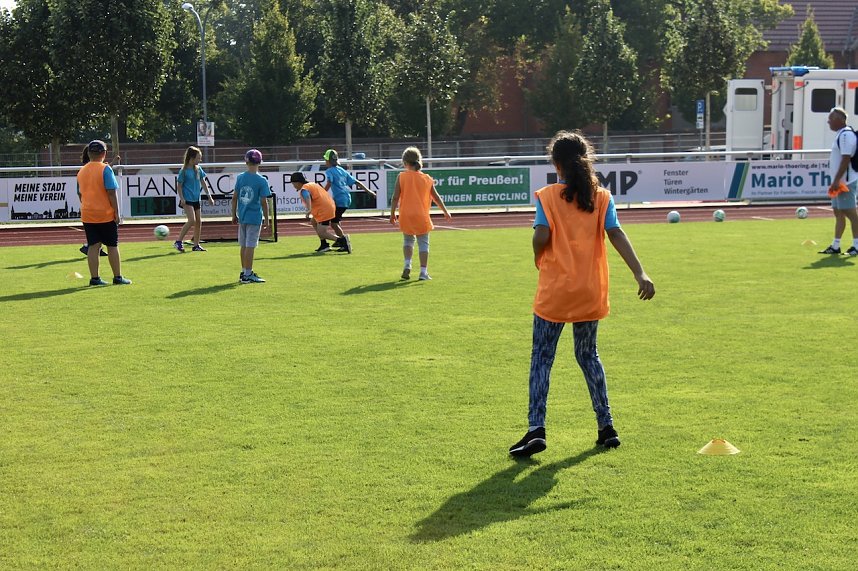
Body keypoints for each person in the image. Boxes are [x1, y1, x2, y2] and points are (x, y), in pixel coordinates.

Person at [508, 131, 654, 458]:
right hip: (590, 291)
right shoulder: (601, 197)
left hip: (556, 292)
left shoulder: (547, 196)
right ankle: (606, 426)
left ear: (557, 165)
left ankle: (536, 429)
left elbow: (541, 234)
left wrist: (537, 251)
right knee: (588, 356)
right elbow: (615, 232)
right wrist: (639, 272)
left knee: (542, 357)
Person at [388, 146, 451, 280]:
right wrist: (445, 211)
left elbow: (395, 197)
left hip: (405, 214)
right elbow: (436, 197)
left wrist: (392, 213)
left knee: (408, 240)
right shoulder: (427, 178)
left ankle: (407, 264)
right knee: (423, 243)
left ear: (405, 162)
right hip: (421, 215)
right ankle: (423, 272)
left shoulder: (401, 176)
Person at [76, 140, 131, 286]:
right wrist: (117, 213)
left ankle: (95, 278)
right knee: (112, 246)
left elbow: (79, 194)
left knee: (93, 246)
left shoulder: (81, 171)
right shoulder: (105, 169)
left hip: (88, 214)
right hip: (105, 214)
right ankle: (117, 277)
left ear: (88, 153)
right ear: (104, 153)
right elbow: (111, 193)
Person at [818, 107, 858, 256]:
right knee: (838, 213)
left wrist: (836, 180)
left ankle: (856, 245)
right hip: (839, 182)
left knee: (851, 213)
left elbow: (845, 159)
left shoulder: (846, 135)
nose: (828, 121)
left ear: (839, 120)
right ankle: (836, 245)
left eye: (831, 118)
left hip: (845, 182)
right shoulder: (841, 135)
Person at [322, 149, 376, 252]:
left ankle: (344, 242)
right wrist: (369, 191)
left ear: (328, 161)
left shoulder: (329, 171)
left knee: (334, 224)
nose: (325, 162)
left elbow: (329, 183)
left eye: (325, 160)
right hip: (347, 198)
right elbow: (356, 182)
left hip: (340, 200)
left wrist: (322, 194)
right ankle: (341, 241)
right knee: (335, 221)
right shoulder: (342, 170)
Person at [231, 149, 271, 284]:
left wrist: (233, 214)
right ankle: (248, 274)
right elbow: (264, 202)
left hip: (242, 215)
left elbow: (235, 197)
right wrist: (267, 218)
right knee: (250, 246)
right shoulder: (261, 180)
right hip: (254, 217)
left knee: (243, 245)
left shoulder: (241, 177)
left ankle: (244, 271)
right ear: (260, 162)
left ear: (246, 161)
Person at [290, 171, 348, 253]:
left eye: (293, 184)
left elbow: (307, 197)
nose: (293, 186)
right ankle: (324, 245)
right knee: (313, 222)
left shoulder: (304, 189)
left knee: (322, 232)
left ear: (298, 182)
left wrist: (309, 209)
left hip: (323, 210)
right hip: (328, 207)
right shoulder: (312, 184)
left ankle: (342, 241)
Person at [174, 146, 215, 253]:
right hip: (187, 199)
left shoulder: (198, 169)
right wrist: (182, 198)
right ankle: (178, 241)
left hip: (196, 198)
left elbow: (203, 182)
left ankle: (196, 244)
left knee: (198, 222)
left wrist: (209, 196)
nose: (199, 160)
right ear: (191, 158)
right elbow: (179, 185)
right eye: (198, 158)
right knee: (192, 220)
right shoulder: (183, 171)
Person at [78, 145, 109, 258]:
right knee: (104, 234)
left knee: (96, 234)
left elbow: (79, 192)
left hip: (88, 207)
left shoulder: (83, 170)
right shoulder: (95, 169)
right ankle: (91, 247)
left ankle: (94, 248)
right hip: (99, 207)